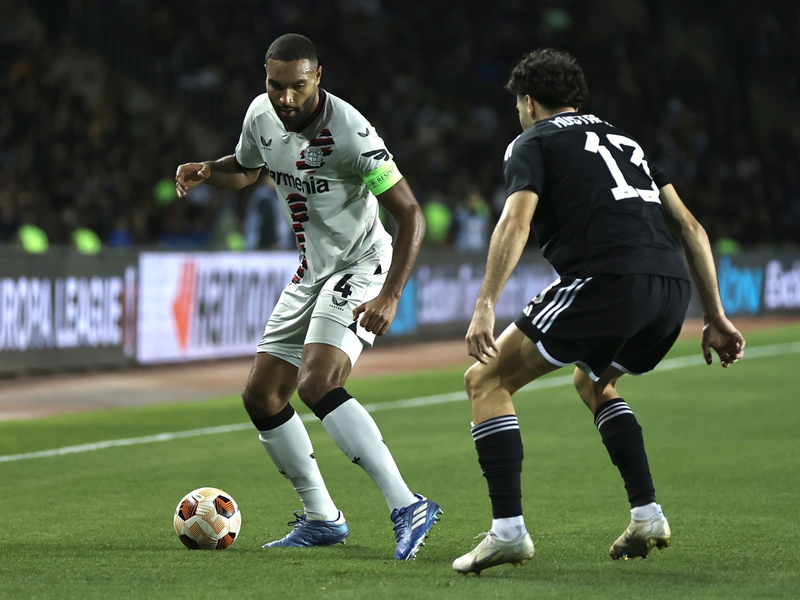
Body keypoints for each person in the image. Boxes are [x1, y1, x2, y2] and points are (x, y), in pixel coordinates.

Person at [453, 49, 746, 575]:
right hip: (670, 290)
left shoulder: (531, 140)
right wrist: (716, 316)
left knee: (485, 380)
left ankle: (508, 532)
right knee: (593, 383)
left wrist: (485, 304)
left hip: (607, 281)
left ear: (528, 102)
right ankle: (647, 514)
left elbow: (515, 223)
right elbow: (692, 230)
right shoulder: (627, 140)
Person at [175, 34, 441, 560]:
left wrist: (390, 296)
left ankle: (407, 504)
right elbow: (250, 168)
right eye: (277, 86)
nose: (287, 99)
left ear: (318, 77)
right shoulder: (261, 114)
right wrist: (211, 171)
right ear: (265, 78)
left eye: (298, 86)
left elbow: (411, 214)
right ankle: (322, 517)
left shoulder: (353, 133)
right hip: (311, 271)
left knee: (318, 382)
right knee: (263, 396)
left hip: (363, 262)